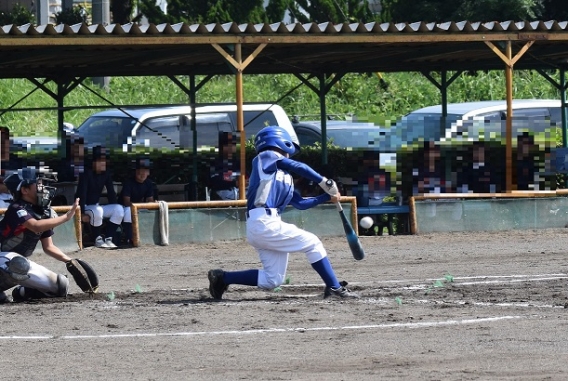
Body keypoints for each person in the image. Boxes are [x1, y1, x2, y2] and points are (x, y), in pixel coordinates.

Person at [207, 126, 358, 300]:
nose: (288, 154)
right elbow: (296, 165)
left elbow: (300, 203)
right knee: (313, 243)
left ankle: (222, 278)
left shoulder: (283, 177)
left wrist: (326, 197)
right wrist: (324, 181)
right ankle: (334, 287)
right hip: (263, 222)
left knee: (273, 279)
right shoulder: (266, 156)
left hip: (265, 225)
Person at [0, 167, 80, 303]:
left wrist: (70, 261)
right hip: (4, 258)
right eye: (38, 183)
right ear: (24, 190)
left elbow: (49, 247)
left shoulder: (42, 212)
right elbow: (35, 226)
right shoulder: (16, 208)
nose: (42, 187)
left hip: (13, 262)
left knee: (61, 286)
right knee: (18, 264)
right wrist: (66, 217)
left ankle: (23, 292)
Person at [75, 145, 124, 249]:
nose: (103, 163)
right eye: (99, 160)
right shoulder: (86, 173)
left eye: (104, 160)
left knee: (119, 209)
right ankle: (97, 239)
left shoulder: (106, 174)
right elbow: (81, 194)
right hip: (85, 206)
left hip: (96, 206)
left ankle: (109, 238)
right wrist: (82, 212)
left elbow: (111, 192)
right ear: (93, 162)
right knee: (97, 211)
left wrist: (114, 206)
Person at [120, 157, 155, 246]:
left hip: (140, 207)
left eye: (145, 171)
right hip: (125, 208)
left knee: (151, 212)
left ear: (148, 173)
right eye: (140, 171)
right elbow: (126, 201)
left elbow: (150, 199)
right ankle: (129, 238)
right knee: (129, 211)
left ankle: (149, 238)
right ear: (136, 171)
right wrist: (140, 206)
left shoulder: (149, 183)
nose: (142, 173)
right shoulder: (129, 183)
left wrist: (152, 204)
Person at [208, 132, 240, 200]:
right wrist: (234, 183)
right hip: (223, 193)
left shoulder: (237, 162)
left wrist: (246, 180)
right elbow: (214, 182)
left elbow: (247, 176)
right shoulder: (215, 162)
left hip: (239, 192)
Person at [0, 127, 26, 208]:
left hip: (17, 199)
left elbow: (26, 183)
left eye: (4, 139)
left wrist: (10, 188)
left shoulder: (18, 161)